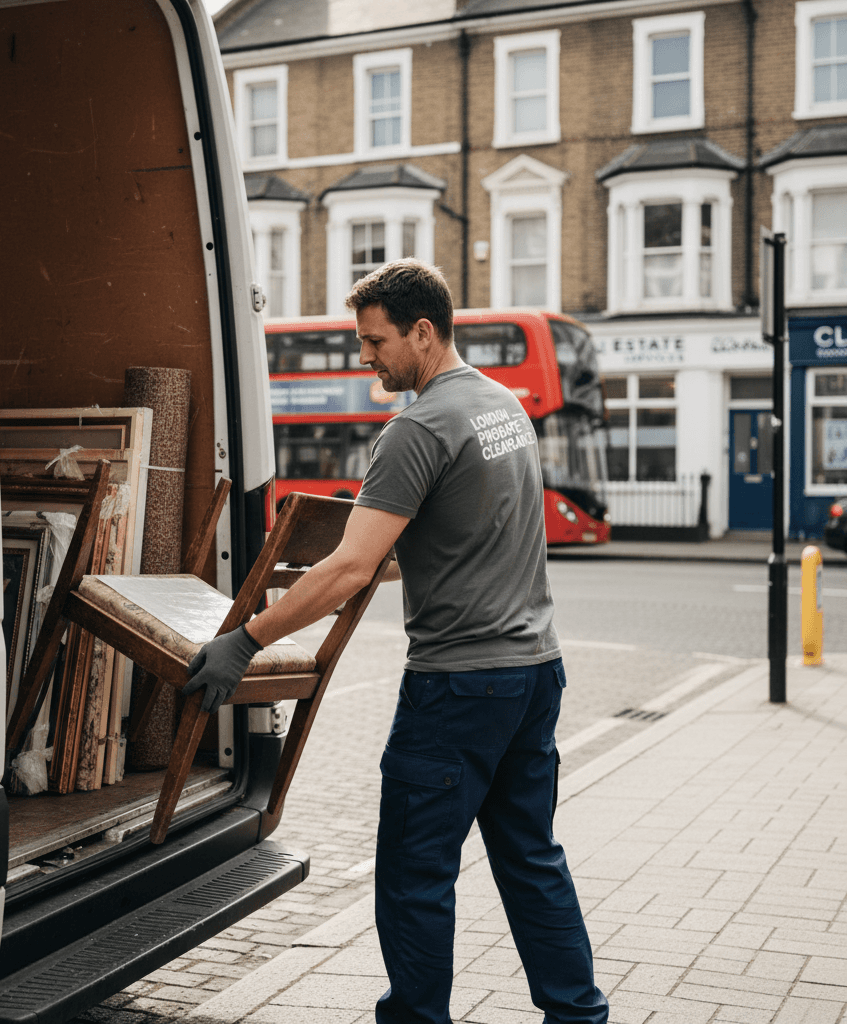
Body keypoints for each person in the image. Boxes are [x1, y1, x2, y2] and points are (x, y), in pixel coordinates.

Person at [182, 259, 609, 1024]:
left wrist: (246, 638)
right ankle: (579, 1016)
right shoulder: (503, 405)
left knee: (414, 872)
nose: (364, 357)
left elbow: (349, 564)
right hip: (534, 673)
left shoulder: (417, 427)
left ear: (422, 330)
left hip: (458, 688)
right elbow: (459, 535)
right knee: (531, 859)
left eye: (374, 342)